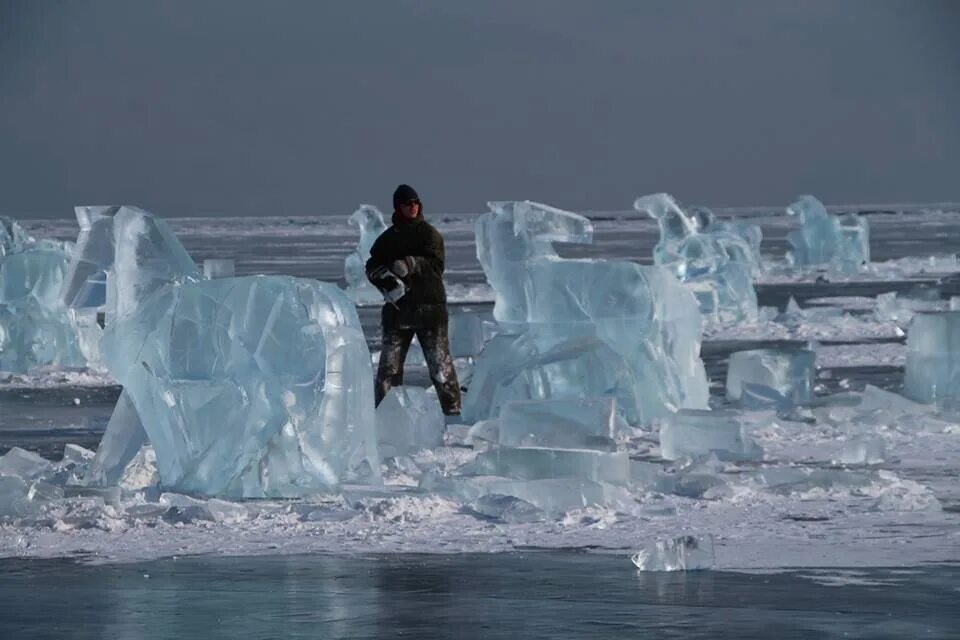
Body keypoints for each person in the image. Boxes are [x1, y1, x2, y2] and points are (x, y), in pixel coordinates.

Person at [365, 184, 461, 416]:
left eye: (416, 202)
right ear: (398, 207)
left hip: (431, 312)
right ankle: (386, 416)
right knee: (388, 371)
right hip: (398, 312)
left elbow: (437, 266)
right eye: (408, 203)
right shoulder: (386, 240)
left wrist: (411, 264)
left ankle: (453, 414)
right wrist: (381, 277)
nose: (413, 207)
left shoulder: (430, 235)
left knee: (440, 368)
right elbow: (371, 264)